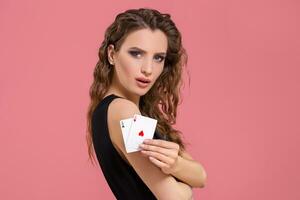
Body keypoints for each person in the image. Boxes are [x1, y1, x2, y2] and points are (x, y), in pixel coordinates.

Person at [86, 8, 207, 200]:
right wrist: (185, 182)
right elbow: (173, 197)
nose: (148, 69)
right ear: (112, 54)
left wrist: (175, 165)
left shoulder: (137, 114)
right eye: (136, 54)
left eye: (158, 57)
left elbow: (201, 176)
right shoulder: (124, 112)